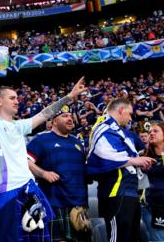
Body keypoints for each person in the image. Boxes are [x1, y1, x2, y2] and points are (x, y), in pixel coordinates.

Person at [0, 41, 86, 242]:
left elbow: (46, 113)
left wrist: (69, 97)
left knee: (36, 238)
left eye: (16, 97)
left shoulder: (19, 126)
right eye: (11, 97)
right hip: (6, 191)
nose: (16, 100)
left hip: (29, 188)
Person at [87, 98, 156, 242]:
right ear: (120, 110)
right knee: (118, 238)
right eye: (129, 113)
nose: (131, 118)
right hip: (115, 192)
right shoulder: (104, 127)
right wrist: (135, 160)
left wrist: (140, 161)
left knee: (132, 237)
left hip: (130, 191)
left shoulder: (121, 131)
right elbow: (104, 153)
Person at [27, 106, 90, 241]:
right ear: (54, 121)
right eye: (64, 116)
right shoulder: (41, 139)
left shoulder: (77, 141)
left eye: (70, 116)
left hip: (79, 203)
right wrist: (43, 173)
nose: (70, 119)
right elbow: (25, 161)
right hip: (55, 202)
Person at [142, 123, 164, 241]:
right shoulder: (143, 158)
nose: (151, 134)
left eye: (156, 131)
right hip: (152, 207)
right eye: (150, 132)